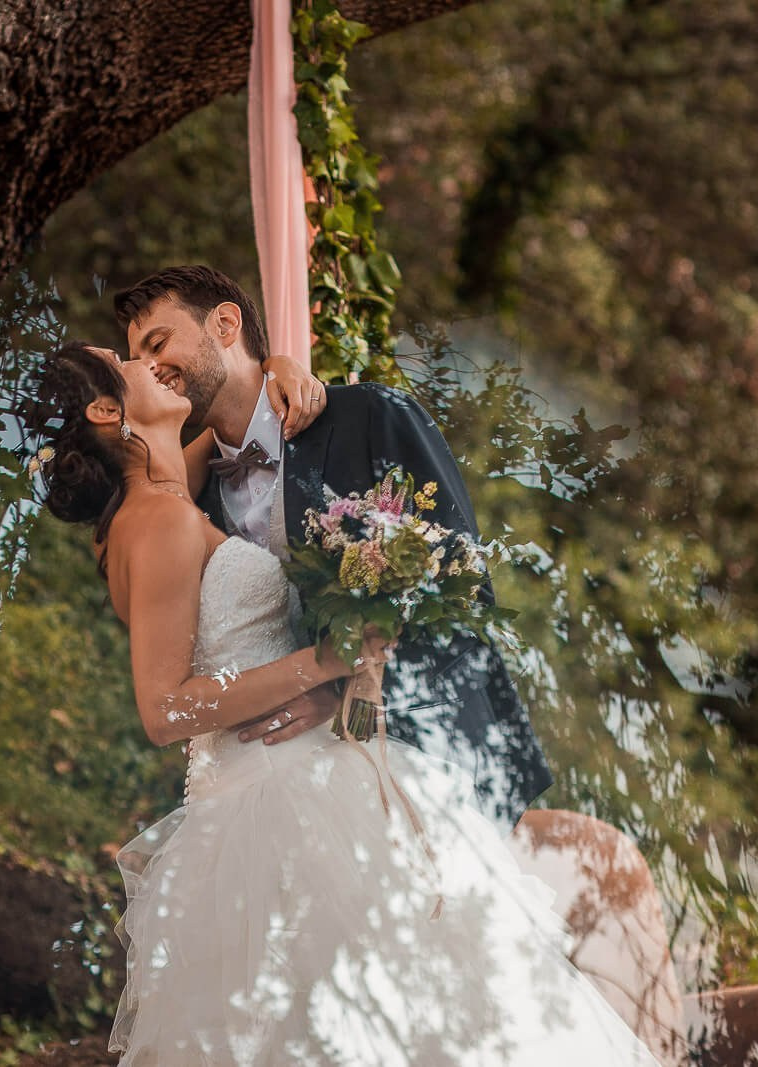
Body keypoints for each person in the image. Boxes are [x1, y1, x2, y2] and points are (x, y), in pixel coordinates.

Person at [26, 340, 662, 1066]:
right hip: (279, 793)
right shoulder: (160, 520)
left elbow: (237, 417)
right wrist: (324, 663)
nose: (150, 361)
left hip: (274, 779)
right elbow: (164, 709)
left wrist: (280, 367)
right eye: (129, 359)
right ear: (105, 410)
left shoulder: (156, 500)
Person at [114, 265, 553, 828]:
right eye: (137, 358)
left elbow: (461, 587)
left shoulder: (371, 417)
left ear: (225, 325)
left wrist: (344, 690)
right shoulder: (186, 501)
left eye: (158, 343)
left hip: (435, 759)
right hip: (291, 792)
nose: (149, 366)